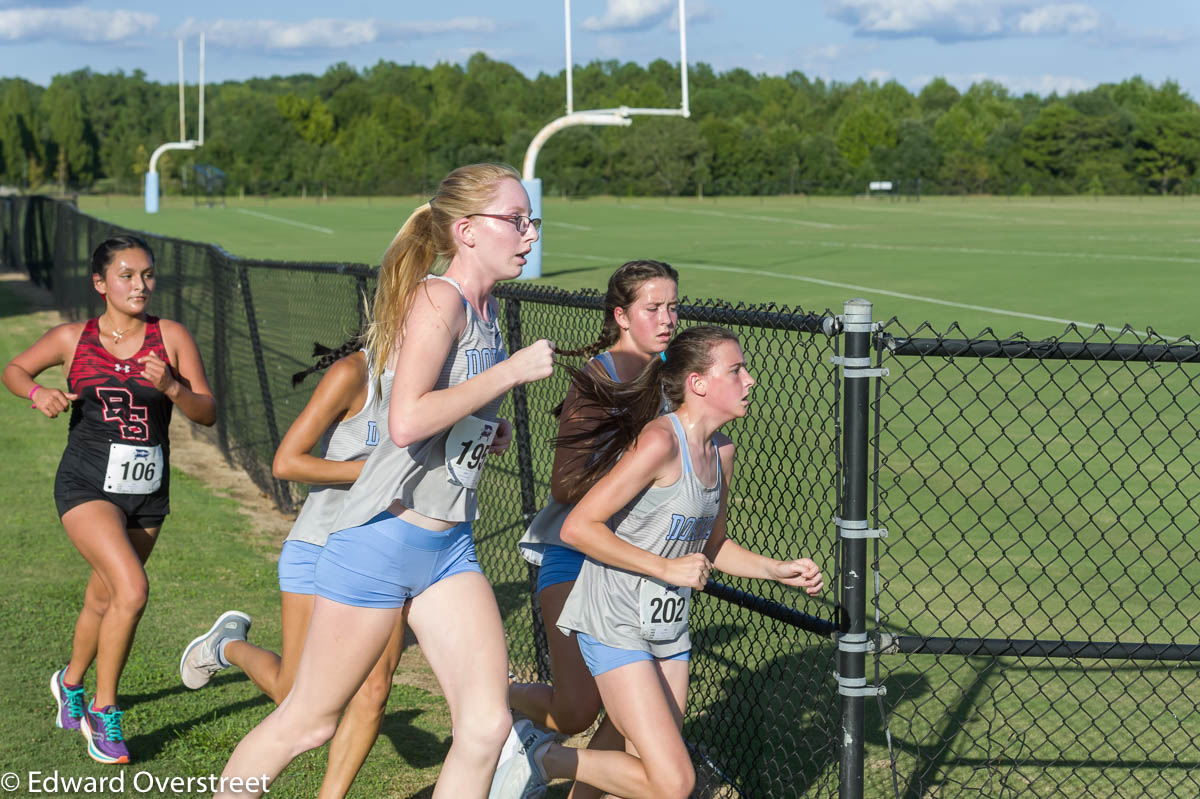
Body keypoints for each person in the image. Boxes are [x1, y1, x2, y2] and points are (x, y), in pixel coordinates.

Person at [213, 163, 554, 799]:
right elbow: (404, 421)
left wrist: (484, 429)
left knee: (484, 728)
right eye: (515, 219)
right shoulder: (438, 297)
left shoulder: (488, 309)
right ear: (468, 230)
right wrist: (508, 375)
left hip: (448, 546)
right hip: (380, 541)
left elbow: (439, 416)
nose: (529, 233)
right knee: (308, 722)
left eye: (530, 219)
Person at [490, 325, 824, 799]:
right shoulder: (659, 444)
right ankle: (543, 756)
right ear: (698, 383)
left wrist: (776, 569)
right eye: (736, 370)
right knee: (674, 781)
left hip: (667, 624)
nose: (750, 380)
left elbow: (712, 545)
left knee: (631, 745)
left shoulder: (722, 451)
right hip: (615, 618)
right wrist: (666, 568)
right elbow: (578, 527)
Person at [2, 235, 216, 765]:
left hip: (146, 491)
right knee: (132, 589)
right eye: (127, 275)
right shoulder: (73, 337)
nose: (140, 285)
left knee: (105, 598)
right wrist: (38, 393)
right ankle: (104, 710)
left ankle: (70, 683)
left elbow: (206, 411)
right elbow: (14, 369)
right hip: (86, 485)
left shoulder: (170, 336)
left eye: (147, 275)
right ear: (101, 283)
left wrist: (171, 387)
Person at [178, 337, 407, 799]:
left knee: (374, 689)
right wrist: (373, 474)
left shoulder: (447, 379)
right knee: (293, 696)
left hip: (385, 550)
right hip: (320, 544)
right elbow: (286, 462)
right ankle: (227, 648)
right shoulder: (355, 374)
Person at [509, 260, 679, 797]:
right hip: (576, 554)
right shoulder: (598, 378)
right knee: (575, 709)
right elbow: (565, 486)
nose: (667, 318)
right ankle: (486, 701)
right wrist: (643, 470)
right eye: (653, 308)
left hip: (634, 566)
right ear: (621, 316)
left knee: (633, 713)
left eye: (673, 306)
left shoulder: (672, 372)